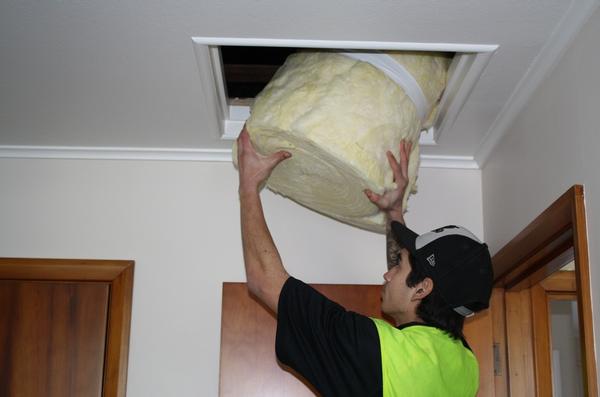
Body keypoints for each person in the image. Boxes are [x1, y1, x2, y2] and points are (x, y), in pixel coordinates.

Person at [236, 126, 494, 396]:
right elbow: (411, 286)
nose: (387, 274)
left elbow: (264, 282)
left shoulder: (370, 346)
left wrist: (248, 186)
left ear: (422, 289)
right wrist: (393, 212)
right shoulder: (466, 367)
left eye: (399, 265)